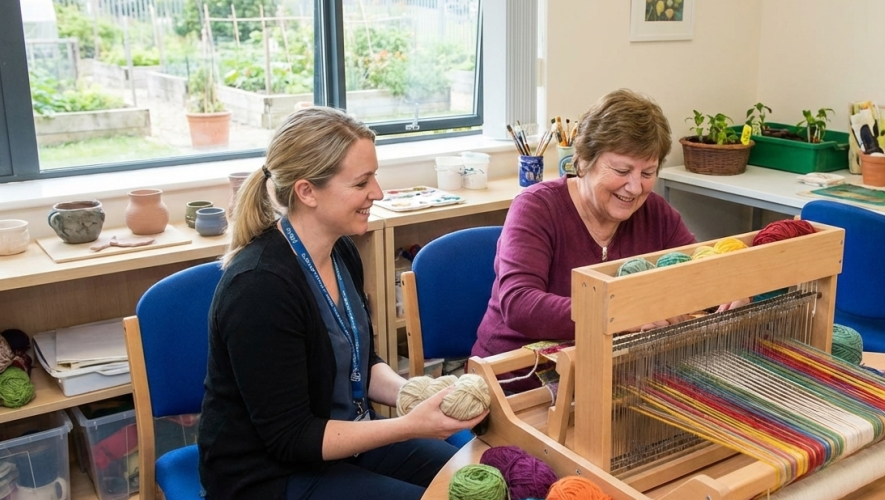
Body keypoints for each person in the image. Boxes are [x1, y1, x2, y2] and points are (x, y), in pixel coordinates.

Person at [198, 107, 486, 500]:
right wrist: (410, 425)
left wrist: (414, 394)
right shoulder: (258, 288)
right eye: (362, 182)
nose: (378, 193)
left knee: (477, 480)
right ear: (307, 191)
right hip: (268, 474)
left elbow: (359, 363)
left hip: (342, 442)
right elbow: (291, 438)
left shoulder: (341, 252)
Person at [472, 89, 745, 390]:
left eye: (648, 172)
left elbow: (698, 268)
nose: (635, 187)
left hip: (608, 380)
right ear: (586, 160)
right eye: (622, 170)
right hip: (516, 383)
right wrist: (620, 316)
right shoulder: (537, 208)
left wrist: (729, 288)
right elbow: (519, 304)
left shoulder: (655, 213)